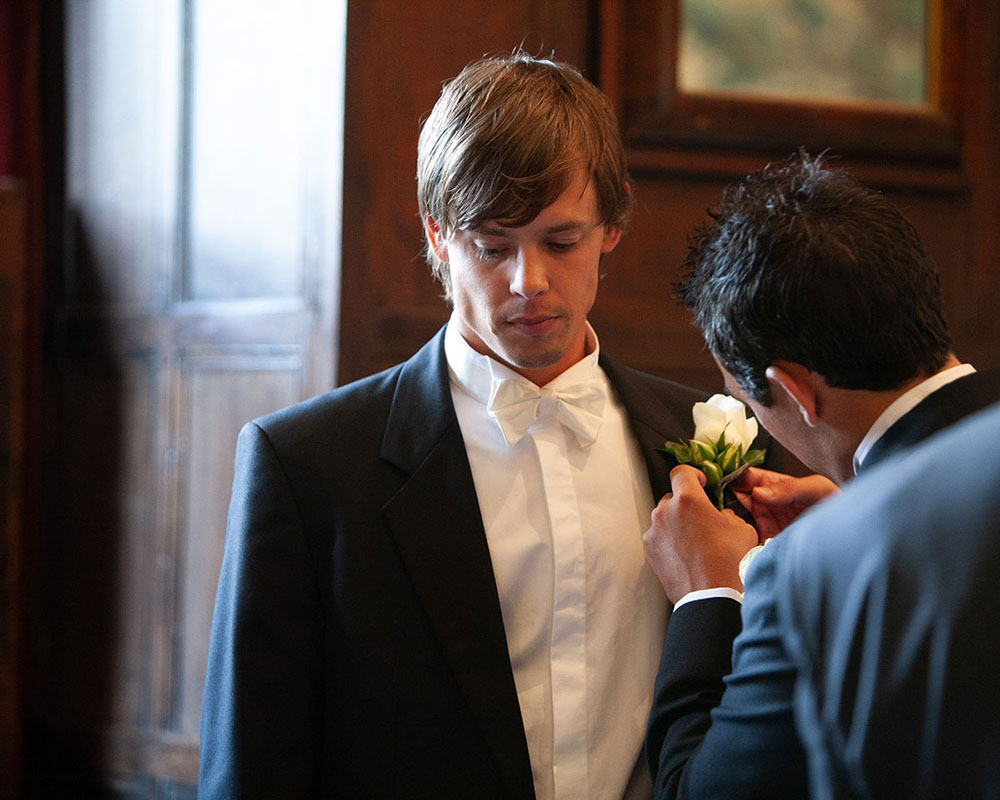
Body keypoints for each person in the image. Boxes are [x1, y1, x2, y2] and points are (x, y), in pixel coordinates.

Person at [199, 51, 716, 799]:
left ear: (614, 223)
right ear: (438, 235)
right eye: (491, 245)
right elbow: (252, 769)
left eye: (560, 241)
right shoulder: (308, 466)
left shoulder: (705, 446)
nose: (527, 282)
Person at [641, 152, 1000, 798]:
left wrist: (707, 596)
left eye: (749, 399)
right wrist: (849, 512)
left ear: (795, 393)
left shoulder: (814, 573)